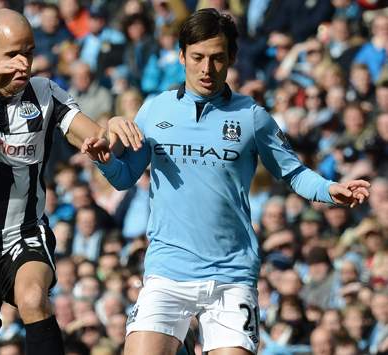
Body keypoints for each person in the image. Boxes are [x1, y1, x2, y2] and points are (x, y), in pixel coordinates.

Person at [82, 8, 371, 355]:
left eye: (218, 58)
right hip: (168, 270)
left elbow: (293, 172)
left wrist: (329, 189)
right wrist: (105, 160)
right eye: (198, 57)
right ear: (181, 56)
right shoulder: (155, 110)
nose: (207, 69)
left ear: (232, 57)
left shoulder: (252, 117)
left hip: (231, 275)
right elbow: (124, 178)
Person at [0, 8, 136, 355]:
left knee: (34, 298)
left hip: (20, 234)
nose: (23, 64)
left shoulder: (44, 93)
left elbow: (91, 134)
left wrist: (110, 132)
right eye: (12, 54)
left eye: (29, 52)